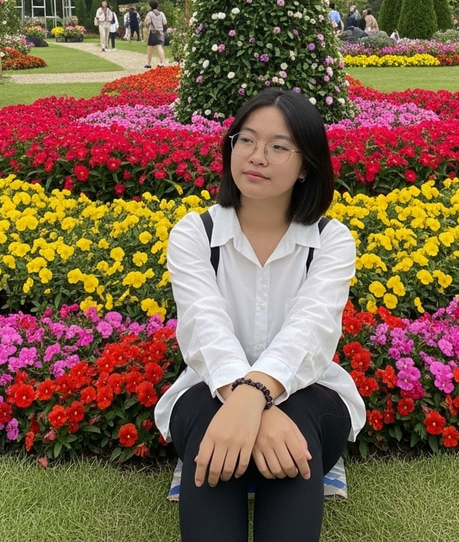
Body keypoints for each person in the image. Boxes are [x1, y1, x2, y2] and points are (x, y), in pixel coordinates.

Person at [155, 88, 365, 542]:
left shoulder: (331, 241)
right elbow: (203, 327)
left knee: (299, 429)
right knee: (211, 418)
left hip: (312, 399)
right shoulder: (195, 234)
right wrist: (250, 401)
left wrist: (255, 399)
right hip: (208, 396)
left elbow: (310, 331)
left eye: (278, 146)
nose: (257, 157)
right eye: (245, 140)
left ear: (307, 163)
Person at [143, 0, 167, 68]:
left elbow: (147, 22)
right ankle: (162, 62)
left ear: (150, 6)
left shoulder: (150, 14)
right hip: (160, 31)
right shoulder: (161, 13)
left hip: (152, 31)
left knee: (150, 47)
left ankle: (148, 63)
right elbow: (165, 22)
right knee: (159, 46)